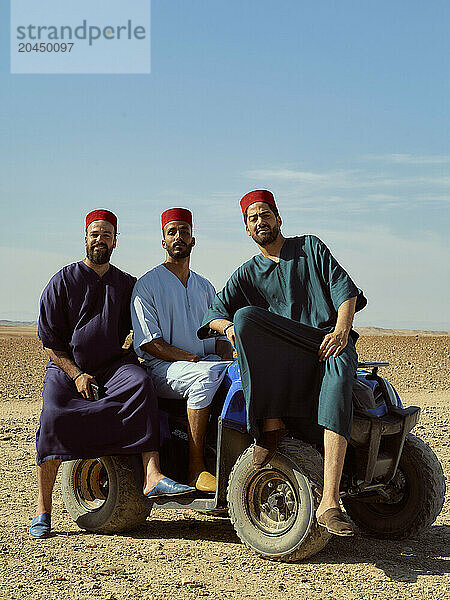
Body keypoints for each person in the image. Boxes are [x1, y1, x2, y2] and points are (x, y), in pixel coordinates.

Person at [199, 190, 367, 536]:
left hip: (326, 341)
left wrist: (341, 330)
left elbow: (346, 291)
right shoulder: (247, 273)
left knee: (337, 382)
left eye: (265, 215)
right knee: (244, 317)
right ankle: (270, 427)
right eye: (253, 218)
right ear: (247, 229)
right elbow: (213, 314)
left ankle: (329, 502)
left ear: (278, 218)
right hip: (291, 350)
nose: (260, 222)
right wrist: (228, 327)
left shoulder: (310, 247)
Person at [30, 209, 194, 539]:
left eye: (107, 235)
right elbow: (50, 341)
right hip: (68, 368)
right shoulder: (63, 280)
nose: (100, 240)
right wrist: (76, 374)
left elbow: (143, 327)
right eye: (95, 234)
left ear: (115, 241)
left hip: (111, 368)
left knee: (141, 384)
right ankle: (43, 510)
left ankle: (152, 474)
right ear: (85, 238)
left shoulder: (125, 284)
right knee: (53, 414)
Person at [131, 208, 233, 493]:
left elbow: (217, 333)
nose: (178, 237)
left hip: (204, 363)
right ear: (163, 241)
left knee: (237, 373)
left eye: (184, 232)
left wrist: (226, 352)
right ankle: (195, 467)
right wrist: (190, 358)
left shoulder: (204, 286)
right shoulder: (147, 285)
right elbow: (151, 342)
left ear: (193, 240)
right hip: (162, 369)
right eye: (172, 232)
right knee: (205, 377)